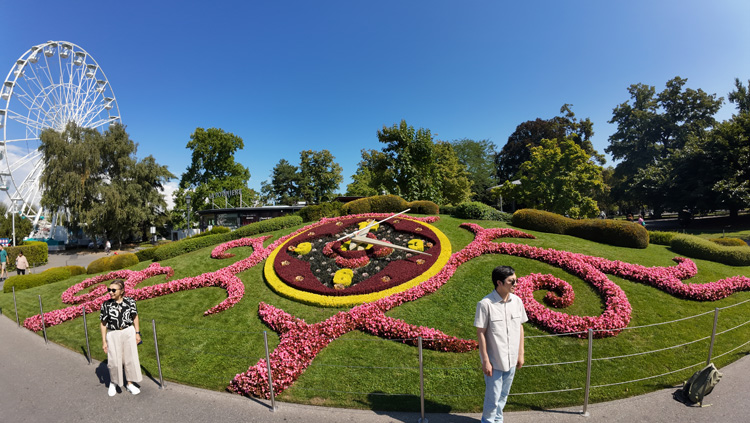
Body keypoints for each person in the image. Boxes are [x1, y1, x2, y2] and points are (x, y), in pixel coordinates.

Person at [475, 265, 528, 423]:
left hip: (511, 360)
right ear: (499, 282)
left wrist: (521, 354)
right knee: (493, 398)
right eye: (512, 281)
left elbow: (520, 327)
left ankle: (498, 420)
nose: (515, 284)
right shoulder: (485, 304)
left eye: (515, 280)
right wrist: (485, 361)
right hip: (494, 361)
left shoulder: (517, 301)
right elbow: (481, 333)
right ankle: (489, 421)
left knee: (503, 396)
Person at [100, 279, 143, 397]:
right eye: (109, 290)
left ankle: (129, 383)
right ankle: (113, 383)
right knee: (114, 361)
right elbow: (103, 323)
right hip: (113, 334)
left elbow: (135, 317)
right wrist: (104, 341)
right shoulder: (106, 305)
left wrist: (137, 333)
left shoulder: (130, 302)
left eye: (113, 290)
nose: (110, 292)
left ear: (122, 290)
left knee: (130, 358)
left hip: (128, 331)